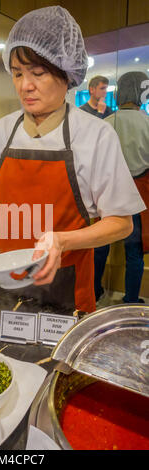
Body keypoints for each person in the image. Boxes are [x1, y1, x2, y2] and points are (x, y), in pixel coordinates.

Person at [0, 6, 145, 314]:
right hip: (5, 289)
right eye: (18, 74)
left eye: (38, 73)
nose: (24, 85)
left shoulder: (96, 136)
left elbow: (121, 223)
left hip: (67, 288)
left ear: (67, 74)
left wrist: (62, 241)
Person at [95, 71, 149, 303]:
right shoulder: (147, 122)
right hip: (139, 195)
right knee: (134, 252)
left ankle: (94, 291)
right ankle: (130, 299)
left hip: (108, 193)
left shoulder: (106, 124)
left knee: (99, 247)